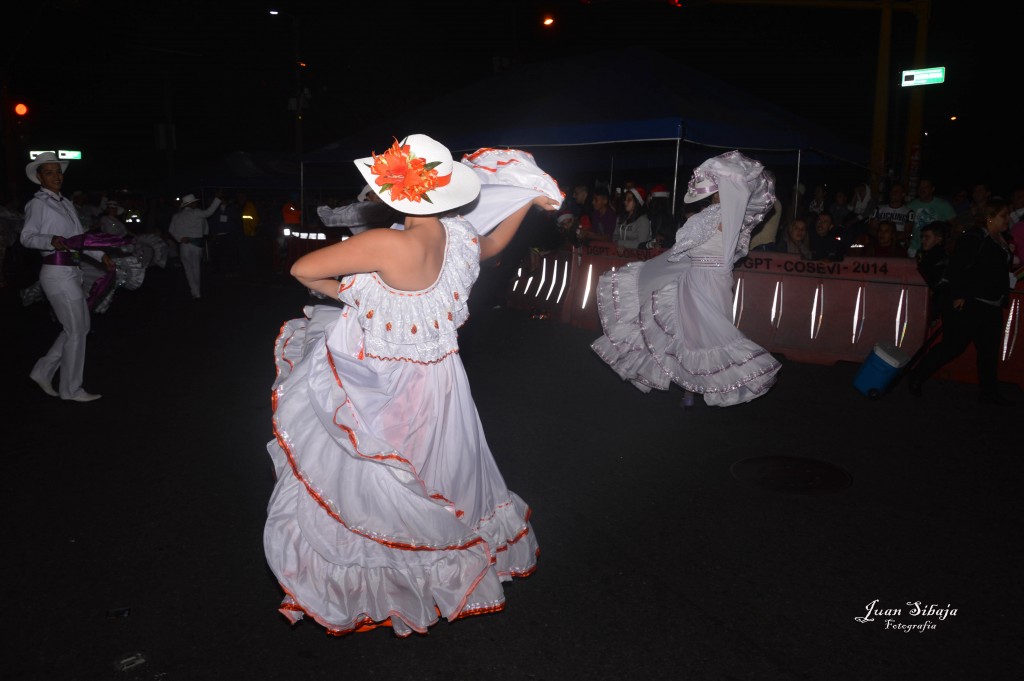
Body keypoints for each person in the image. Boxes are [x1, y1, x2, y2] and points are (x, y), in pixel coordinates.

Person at [263, 134, 559, 637]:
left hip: (389, 379)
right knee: (442, 468)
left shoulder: (385, 242)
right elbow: (495, 246)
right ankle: (443, 567)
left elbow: (302, 269)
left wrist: (360, 301)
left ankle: (391, 575)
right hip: (443, 379)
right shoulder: (460, 234)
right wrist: (526, 204)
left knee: (381, 477)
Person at [590, 150, 780, 407]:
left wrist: (728, 178)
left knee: (713, 334)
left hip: (714, 281)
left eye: (720, 189)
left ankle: (712, 384)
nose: (717, 194)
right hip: (696, 279)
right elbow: (684, 247)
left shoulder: (733, 219)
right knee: (688, 334)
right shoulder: (712, 217)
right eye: (716, 190)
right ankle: (690, 388)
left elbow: (693, 243)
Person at [21, 152, 113, 402]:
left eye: (58, 171)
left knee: (79, 327)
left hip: (72, 271)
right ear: (39, 177)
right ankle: (71, 389)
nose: (56, 176)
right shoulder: (38, 203)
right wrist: (49, 240)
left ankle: (43, 370)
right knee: (76, 330)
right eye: (49, 172)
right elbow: (26, 237)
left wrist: (99, 254)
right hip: (56, 272)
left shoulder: (64, 202)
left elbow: (78, 237)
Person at [907, 198, 1015, 405]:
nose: (1007, 219)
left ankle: (989, 393)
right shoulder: (975, 238)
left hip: (992, 304)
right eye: (1003, 215)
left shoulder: (1001, 239)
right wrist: (958, 295)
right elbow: (957, 268)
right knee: (952, 346)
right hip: (971, 303)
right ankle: (917, 375)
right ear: (989, 217)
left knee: (989, 351)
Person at [168, 191, 222, 299]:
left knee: (188, 269)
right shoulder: (196, 212)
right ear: (190, 204)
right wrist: (217, 199)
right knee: (196, 267)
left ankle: (194, 290)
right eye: (195, 202)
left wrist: (180, 238)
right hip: (196, 245)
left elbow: (171, 230)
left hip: (184, 245)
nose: (196, 204)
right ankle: (196, 291)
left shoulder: (176, 216)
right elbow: (209, 212)